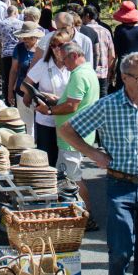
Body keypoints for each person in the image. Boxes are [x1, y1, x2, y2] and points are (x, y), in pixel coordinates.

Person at [60, 53, 138, 275]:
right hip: (120, 186)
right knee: (120, 252)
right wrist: (93, 153)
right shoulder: (107, 105)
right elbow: (67, 130)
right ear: (124, 77)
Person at [46, 41, 101, 221]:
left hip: (72, 136)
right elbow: (74, 102)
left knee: (72, 178)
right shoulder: (87, 71)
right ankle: (80, 214)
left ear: (74, 56)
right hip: (76, 133)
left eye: (65, 60)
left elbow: (72, 105)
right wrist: (57, 101)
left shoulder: (79, 74)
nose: (63, 64)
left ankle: (87, 216)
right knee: (68, 177)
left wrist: (50, 110)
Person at [23, 29, 73, 166]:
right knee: (46, 161)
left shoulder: (73, 65)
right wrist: (43, 95)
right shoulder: (44, 64)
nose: (56, 49)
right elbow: (24, 86)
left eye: (60, 45)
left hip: (67, 119)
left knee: (66, 162)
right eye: (53, 45)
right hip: (46, 120)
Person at [7, 20, 43, 135]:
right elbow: (13, 71)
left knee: (41, 124)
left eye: (27, 37)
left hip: (40, 92)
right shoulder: (19, 49)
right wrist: (10, 91)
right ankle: (29, 144)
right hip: (21, 90)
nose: (25, 40)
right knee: (27, 124)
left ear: (35, 37)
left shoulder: (42, 49)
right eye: (24, 37)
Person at [81, 4, 117, 98]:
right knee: (103, 99)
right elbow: (112, 55)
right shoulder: (106, 31)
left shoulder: (83, 31)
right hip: (103, 73)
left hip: (87, 72)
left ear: (87, 15)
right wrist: (109, 70)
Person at [112, 1, 138, 84]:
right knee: (137, 87)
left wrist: (112, 67)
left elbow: (115, 51)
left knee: (121, 87)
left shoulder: (120, 29)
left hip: (123, 64)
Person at [0, 4, 24, 102]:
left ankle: (7, 100)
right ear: (15, 12)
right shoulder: (21, 23)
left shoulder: (0, 24)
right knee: (18, 76)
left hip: (6, 53)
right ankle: (17, 98)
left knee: (6, 78)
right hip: (18, 53)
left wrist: (0, 47)